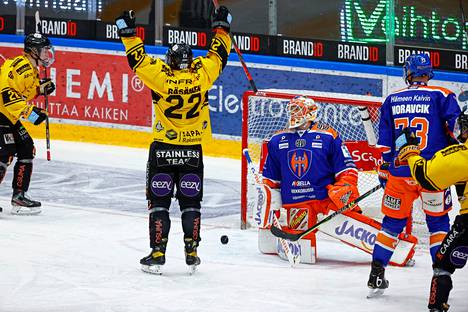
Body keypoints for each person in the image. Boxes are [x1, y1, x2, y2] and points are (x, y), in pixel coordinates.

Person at [115, 7, 232, 274]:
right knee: (191, 203)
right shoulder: (201, 74)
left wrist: (128, 33)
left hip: (163, 150)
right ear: (190, 61)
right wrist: (222, 28)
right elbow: (219, 55)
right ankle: (191, 252)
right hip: (191, 150)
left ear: (170, 60)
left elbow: (137, 59)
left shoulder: (160, 76)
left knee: (159, 204)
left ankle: (158, 253)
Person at [257, 96, 414, 264]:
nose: (293, 115)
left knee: (358, 226)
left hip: (327, 200)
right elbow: (270, 179)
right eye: (292, 110)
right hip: (297, 204)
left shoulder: (327, 135)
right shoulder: (276, 140)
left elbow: (347, 168)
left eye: (297, 110)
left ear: (310, 113)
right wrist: (268, 199)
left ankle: (401, 251)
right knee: (304, 253)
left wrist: (345, 187)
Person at [367, 53, 462, 295]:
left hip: (400, 172)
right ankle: (439, 278)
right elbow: (458, 132)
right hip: (432, 172)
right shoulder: (443, 95)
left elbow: (386, 145)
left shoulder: (392, 99)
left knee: (391, 224)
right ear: (429, 72)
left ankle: (376, 274)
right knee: (438, 223)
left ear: (407, 72)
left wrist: (385, 168)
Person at [396, 108, 468, 312]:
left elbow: (426, 176)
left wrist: (410, 153)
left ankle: (437, 307)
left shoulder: (464, 154)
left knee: (442, 265)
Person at [0, 32, 55, 215]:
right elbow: (7, 95)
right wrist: (30, 114)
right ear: (33, 51)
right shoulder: (20, 67)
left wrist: (40, 89)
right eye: (44, 50)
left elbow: (24, 92)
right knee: (4, 153)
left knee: (26, 148)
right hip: (1, 114)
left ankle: (19, 196)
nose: (48, 54)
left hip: (10, 116)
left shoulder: (32, 70)